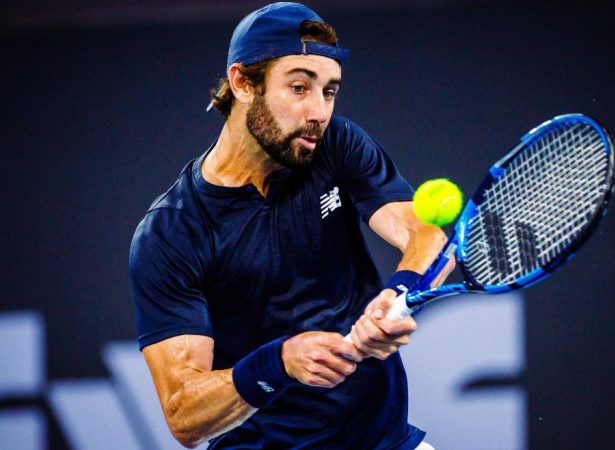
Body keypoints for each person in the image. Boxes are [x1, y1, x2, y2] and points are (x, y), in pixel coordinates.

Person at [129, 3, 452, 449]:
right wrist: (277, 363)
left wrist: (398, 295)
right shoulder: (172, 234)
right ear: (242, 82)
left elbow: (427, 234)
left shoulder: (336, 144)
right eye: (299, 86)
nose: (319, 111)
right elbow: (184, 414)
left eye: (330, 91)